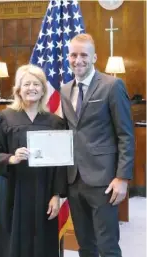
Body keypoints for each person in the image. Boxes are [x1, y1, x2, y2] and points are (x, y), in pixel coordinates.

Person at [60, 33, 135, 257]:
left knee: (107, 246)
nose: (78, 60)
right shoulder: (65, 90)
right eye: (73, 55)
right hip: (74, 179)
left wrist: (122, 178)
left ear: (94, 58)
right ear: (68, 57)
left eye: (84, 55)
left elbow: (126, 134)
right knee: (85, 245)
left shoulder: (112, 86)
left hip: (104, 180)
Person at [0, 64, 67, 257]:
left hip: (44, 189)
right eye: (26, 83)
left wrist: (57, 195)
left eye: (37, 84)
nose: (32, 88)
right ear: (18, 89)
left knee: (43, 239)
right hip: (13, 189)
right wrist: (10, 158)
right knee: (11, 238)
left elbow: (61, 163)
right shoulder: (3, 118)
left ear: (44, 89)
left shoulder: (55, 122)